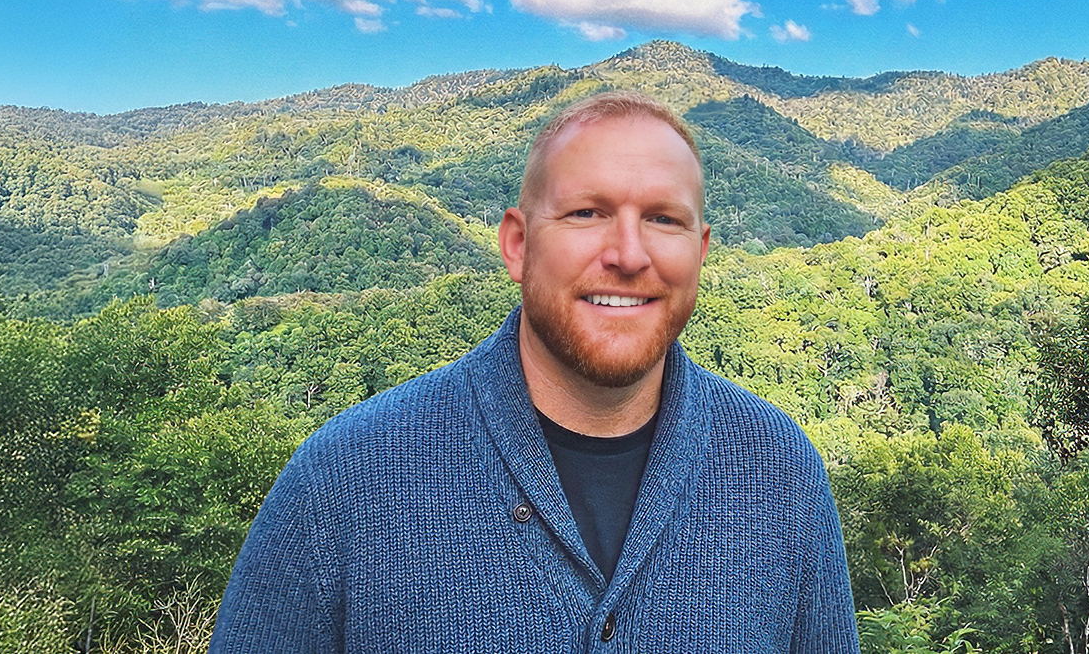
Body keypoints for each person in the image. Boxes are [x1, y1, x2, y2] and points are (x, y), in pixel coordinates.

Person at [208, 90, 858, 653]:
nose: (628, 254)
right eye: (587, 213)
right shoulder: (346, 479)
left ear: (700, 251)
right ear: (517, 244)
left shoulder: (779, 473)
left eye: (663, 219)